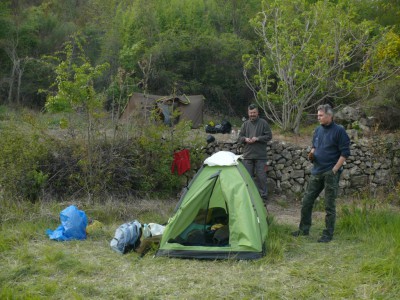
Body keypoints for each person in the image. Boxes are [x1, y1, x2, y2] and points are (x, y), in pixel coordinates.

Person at [292, 104, 350, 243]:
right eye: (318, 115)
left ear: (329, 116)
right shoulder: (318, 130)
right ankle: (303, 230)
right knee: (307, 201)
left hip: (331, 172)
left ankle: (327, 234)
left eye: (321, 115)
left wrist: (335, 169)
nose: (318, 117)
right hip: (317, 171)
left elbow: (345, 153)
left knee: (329, 205)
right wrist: (312, 153)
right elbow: (314, 146)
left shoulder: (339, 131)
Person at [238, 104, 272, 204]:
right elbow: (239, 138)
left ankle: (263, 198)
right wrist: (245, 139)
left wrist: (257, 138)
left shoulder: (263, 123)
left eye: (254, 112)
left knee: (262, 177)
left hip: (261, 156)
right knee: (248, 177)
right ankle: (250, 196)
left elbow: (269, 136)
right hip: (248, 156)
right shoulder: (245, 124)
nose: (252, 114)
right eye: (250, 113)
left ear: (257, 113)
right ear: (248, 113)